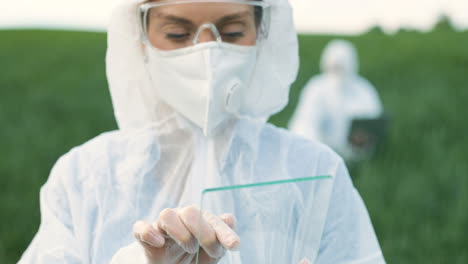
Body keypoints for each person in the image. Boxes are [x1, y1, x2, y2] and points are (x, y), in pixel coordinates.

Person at [19, 1, 385, 263]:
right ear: (140, 37)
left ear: (263, 33)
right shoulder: (85, 178)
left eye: (231, 31)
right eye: (178, 33)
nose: (207, 51)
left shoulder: (315, 171)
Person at [288, 40, 384, 162]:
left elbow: (374, 122)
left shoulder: (364, 90)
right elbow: (305, 123)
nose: (338, 72)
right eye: (334, 67)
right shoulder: (317, 87)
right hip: (320, 153)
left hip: (355, 152)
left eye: (341, 67)